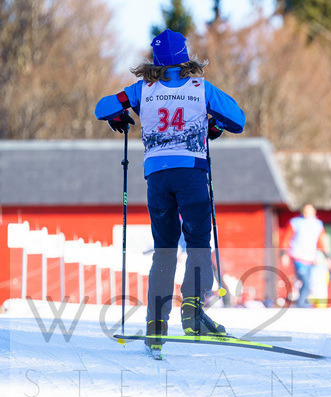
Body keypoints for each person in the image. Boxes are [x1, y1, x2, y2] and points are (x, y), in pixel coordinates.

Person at [95, 29, 245, 355]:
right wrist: (215, 124)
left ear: (156, 60)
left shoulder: (142, 90)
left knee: (164, 249)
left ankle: (155, 326)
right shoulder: (199, 87)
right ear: (185, 57)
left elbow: (101, 107)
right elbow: (237, 119)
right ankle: (192, 311)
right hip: (191, 174)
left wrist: (118, 115)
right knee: (198, 243)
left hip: (158, 179)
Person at [280, 203, 331, 308]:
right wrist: (283, 253)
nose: (308, 213)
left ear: (314, 212)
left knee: (308, 282)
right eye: (306, 211)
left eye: (310, 211)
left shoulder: (318, 224)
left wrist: (327, 257)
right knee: (305, 281)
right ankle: (302, 306)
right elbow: (286, 238)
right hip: (297, 256)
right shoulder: (295, 223)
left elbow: (322, 241)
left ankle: (302, 304)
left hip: (311, 257)